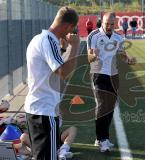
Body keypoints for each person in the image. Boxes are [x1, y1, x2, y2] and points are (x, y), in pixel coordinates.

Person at [24, 6, 80, 160]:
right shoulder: (48, 40)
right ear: (68, 26)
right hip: (44, 111)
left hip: (37, 109)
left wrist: (62, 48)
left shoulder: (40, 38)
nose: (72, 33)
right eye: (72, 29)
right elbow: (64, 73)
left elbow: (49, 71)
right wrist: (75, 46)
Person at [87, 12, 136, 152]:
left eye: (112, 24)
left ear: (115, 24)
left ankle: (101, 138)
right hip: (98, 73)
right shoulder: (93, 36)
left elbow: (121, 54)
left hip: (113, 75)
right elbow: (89, 58)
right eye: (106, 23)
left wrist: (129, 60)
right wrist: (93, 55)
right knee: (103, 105)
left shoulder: (118, 37)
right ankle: (103, 140)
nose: (109, 26)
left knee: (110, 106)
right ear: (102, 22)